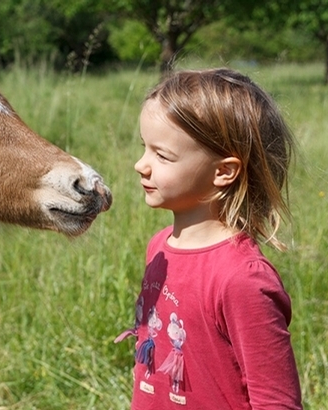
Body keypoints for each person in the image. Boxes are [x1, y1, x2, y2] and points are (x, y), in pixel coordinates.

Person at [115, 68, 302, 409]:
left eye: (162, 155)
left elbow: (277, 400)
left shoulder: (241, 278)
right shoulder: (159, 247)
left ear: (223, 172)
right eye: (145, 148)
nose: (140, 165)